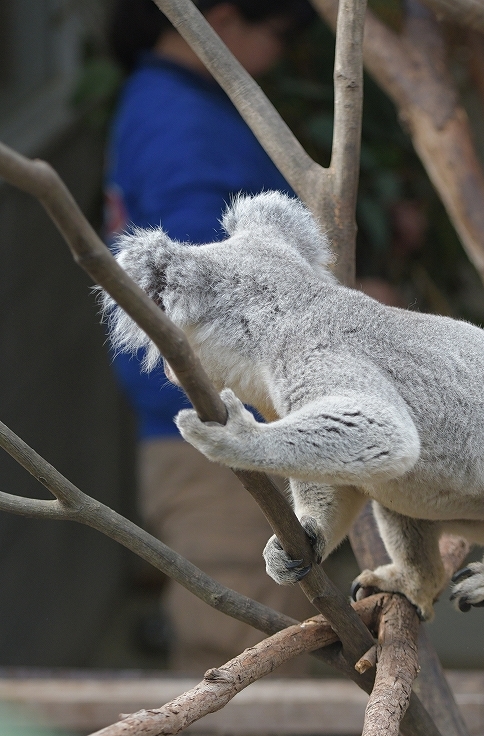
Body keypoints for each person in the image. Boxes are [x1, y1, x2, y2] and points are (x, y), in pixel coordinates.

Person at [105, 0, 315, 677]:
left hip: (223, 429)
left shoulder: (168, 101)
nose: (283, 52)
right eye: (278, 30)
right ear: (221, 19)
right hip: (218, 438)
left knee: (259, 655)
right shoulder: (180, 123)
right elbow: (198, 290)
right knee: (235, 665)